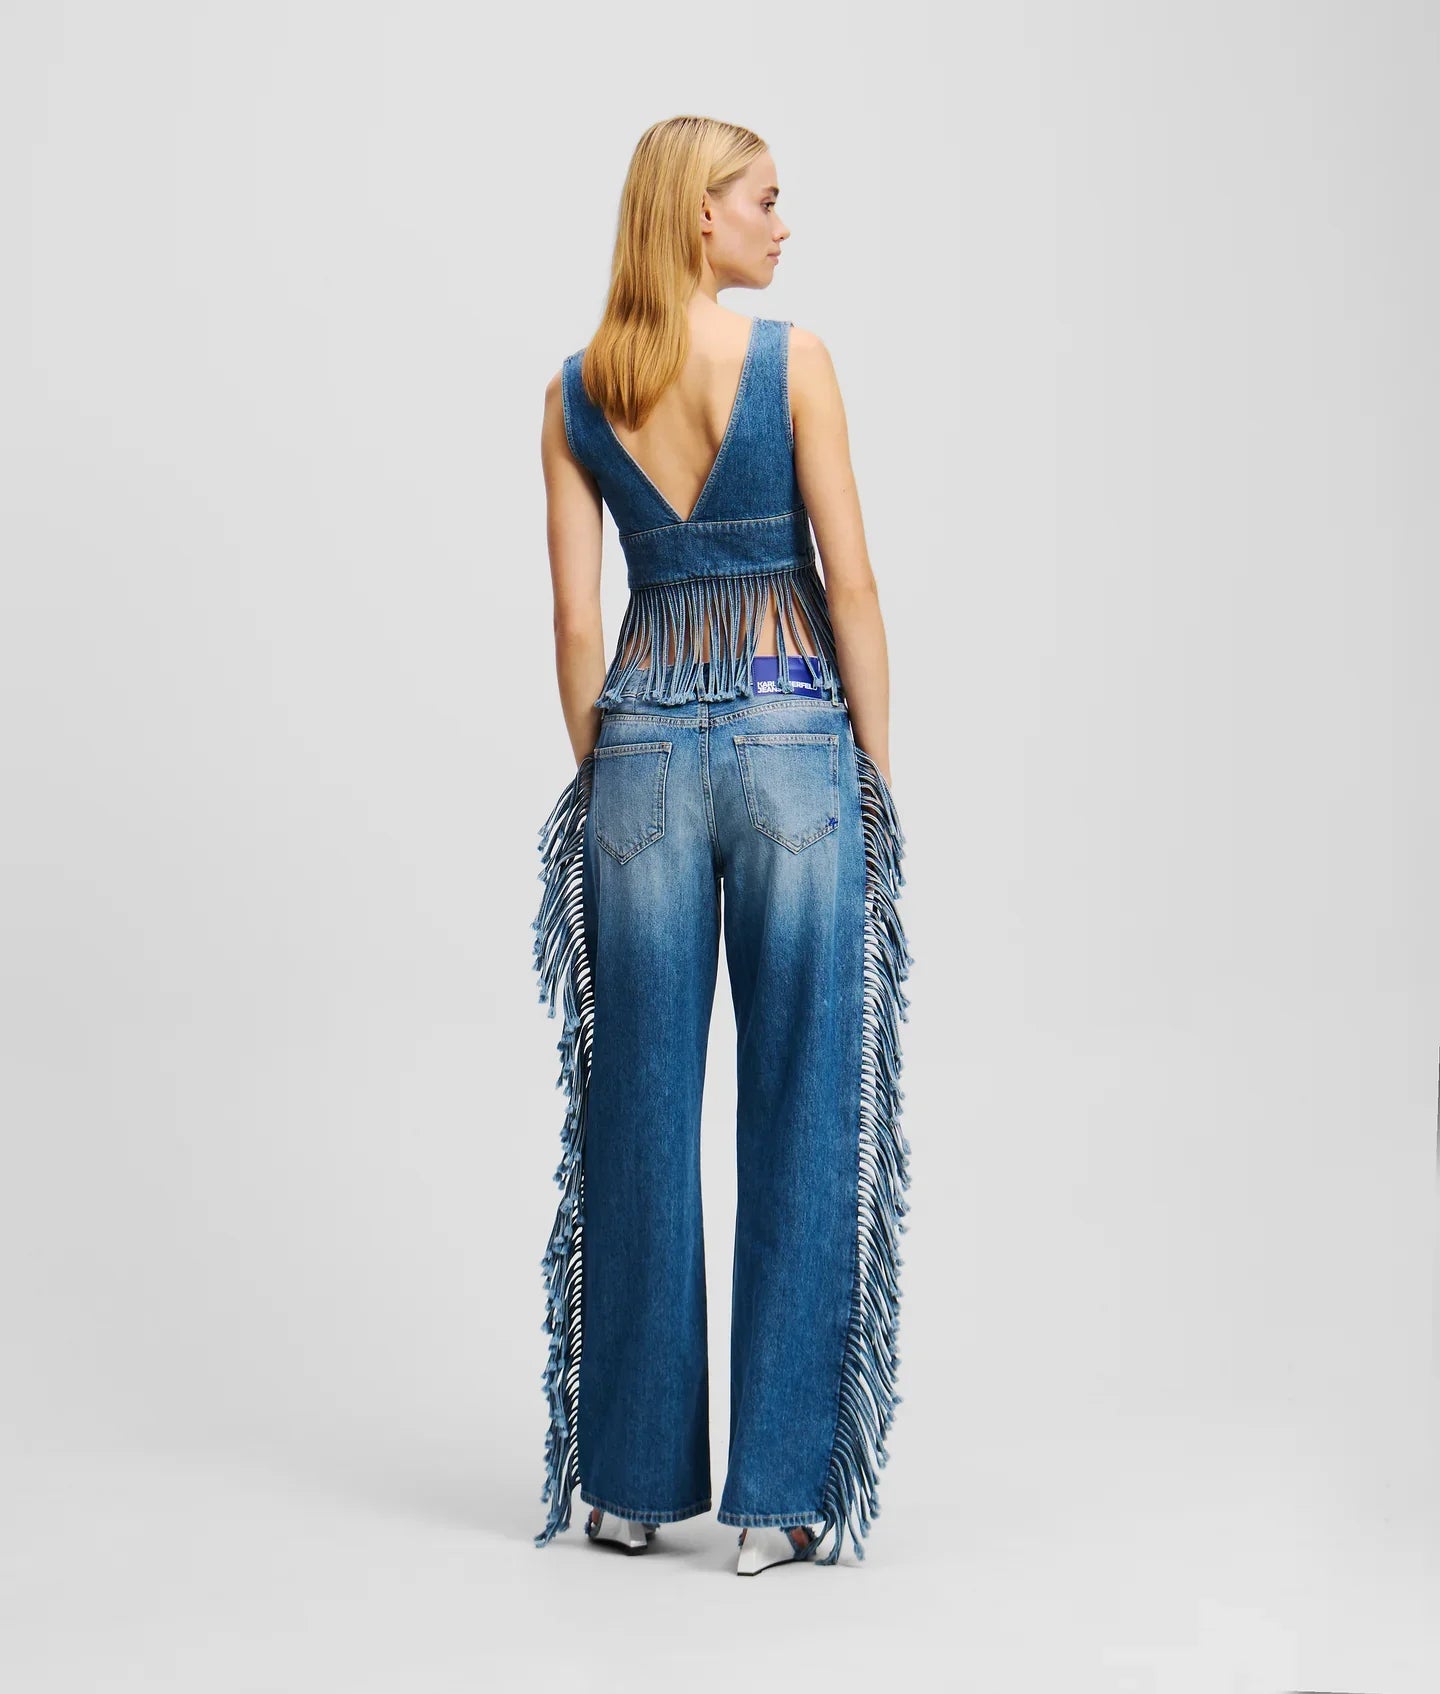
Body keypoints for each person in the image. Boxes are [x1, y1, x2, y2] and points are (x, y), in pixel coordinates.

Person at [530, 115, 913, 1576]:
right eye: (765, 199)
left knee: (638, 1103)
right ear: (700, 214)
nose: (782, 224)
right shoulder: (793, 363)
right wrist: (876, 781)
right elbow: (852, 583)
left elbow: (575, 623)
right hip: (793, 729)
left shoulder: (577, 393)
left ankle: (629, 1486)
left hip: (637, 742)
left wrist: (619, 765)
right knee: (803, 1091)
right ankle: (778, 1496)